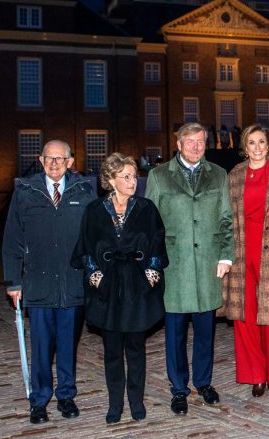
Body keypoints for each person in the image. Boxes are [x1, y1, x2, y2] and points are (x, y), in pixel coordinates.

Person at [2, 139, 95, 424]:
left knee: (68, 345)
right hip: (39, 285)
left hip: (72, 285)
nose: (54, 164)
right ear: (41, 161)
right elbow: (12, 240)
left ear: (70, 162)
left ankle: (66, 396)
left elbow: (93, 239)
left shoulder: (84, 191)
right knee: (42, 347)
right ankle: (39, 400)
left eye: (60, 159)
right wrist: (13, 282)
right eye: (49, 158)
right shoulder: (25, 192)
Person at [145, 122, 234, 415]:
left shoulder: (218, 175)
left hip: (208, 264)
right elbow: (149, 225)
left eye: (201, 141)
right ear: (179, 142)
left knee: (206, 331)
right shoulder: (159, 176)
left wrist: (226, 256)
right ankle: (179, 388)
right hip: (175, 266)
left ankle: (204, 382)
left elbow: (226, 219)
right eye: (190, 141)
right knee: (175, 333)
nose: (196, 147)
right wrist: (152, 263)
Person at [71, 153, 168, 424]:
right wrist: (95, 276)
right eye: (125, 176)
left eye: (133, 176)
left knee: (136, 348)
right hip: (109, 288)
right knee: (112, 350)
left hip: (137, 285)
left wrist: (151, 272)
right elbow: (86, 247)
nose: (132, 181)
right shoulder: (94, 210)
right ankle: (115, 404)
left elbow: (158, 243)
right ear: (110, 179)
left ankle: (136, 401)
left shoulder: (146, 208)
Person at [224, 124, 269, 397]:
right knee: (246, 316)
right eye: (252, 143)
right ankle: (255, 375)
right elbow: (226, 217)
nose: (257, 147)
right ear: (245, 146)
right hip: (242, 252)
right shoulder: (235, 175)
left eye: (262, 142)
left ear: (268, 145)